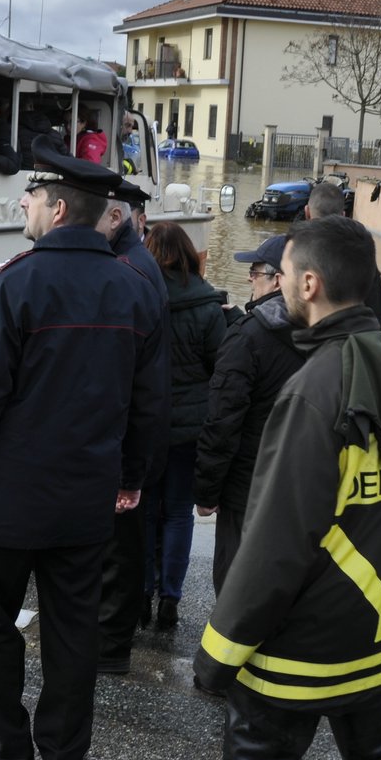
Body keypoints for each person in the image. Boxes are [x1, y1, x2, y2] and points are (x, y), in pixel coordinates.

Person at [141, 217, 381, 760]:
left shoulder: (315, 387)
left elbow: (277, 541)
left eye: (288, 275)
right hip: (378, 628)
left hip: (303, 641)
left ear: (308, 283)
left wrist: (219, 651)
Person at [0, 139, 163, 760]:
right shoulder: (136, 291)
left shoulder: (15, 282)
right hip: (86, 501)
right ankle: (63, 758)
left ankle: (5, 744)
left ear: (58, 209)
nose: (24, 203)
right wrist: (131, 478)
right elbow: (149, 404)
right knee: (72, 628)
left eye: (31, 196)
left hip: (9, 499)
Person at [194, 233, 307, 595]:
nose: (248, 278)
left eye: (256, 271)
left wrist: (207, 491)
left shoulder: (247, 338)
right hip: (303, 484)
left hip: (248, 486)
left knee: (235, 587)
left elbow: (223, 420)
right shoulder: (322, 330)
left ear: (277, 279)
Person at [96, 180, 169, 673]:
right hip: (131, 435)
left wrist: (130, 468)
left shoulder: (128, 271)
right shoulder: (135, 264)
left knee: (119, 546)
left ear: (116, 218)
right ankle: (111, 636)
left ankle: (110, 644)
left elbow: (133, 378)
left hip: (123, 436)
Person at [141, 221, 226, 630]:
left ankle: (141, 593)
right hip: (189, 428)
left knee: (141, 510)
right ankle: (170, 598)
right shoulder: (208, 305)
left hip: (145, 424)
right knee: (178, 513)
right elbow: (219, 368)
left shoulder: (139, 296)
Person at [307, 181, 381, 334]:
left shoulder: (293, 254)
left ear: (307, 212)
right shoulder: (361, 255)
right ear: (343, 215)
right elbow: (380, 319)